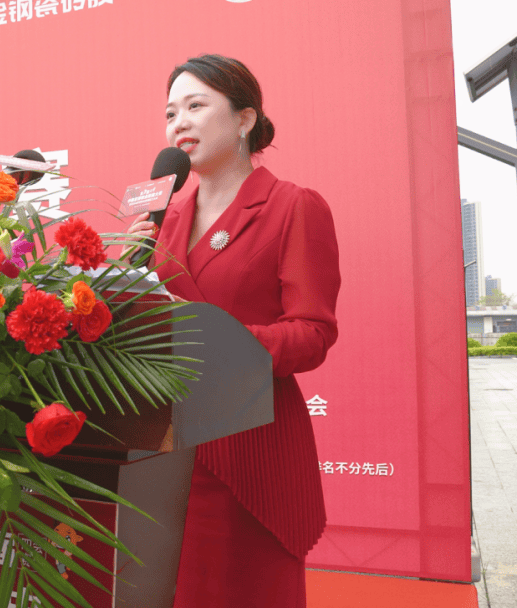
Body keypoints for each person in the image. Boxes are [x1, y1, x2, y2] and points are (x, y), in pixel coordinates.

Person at [127, 54, 340, 607]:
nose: (179, 122)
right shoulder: (163, 221)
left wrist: (211, 337)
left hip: (250, 444)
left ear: (245, 119)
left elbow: (313, 332)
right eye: (170, 113)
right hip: (162, 442)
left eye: (196, 106)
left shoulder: (292, 206)